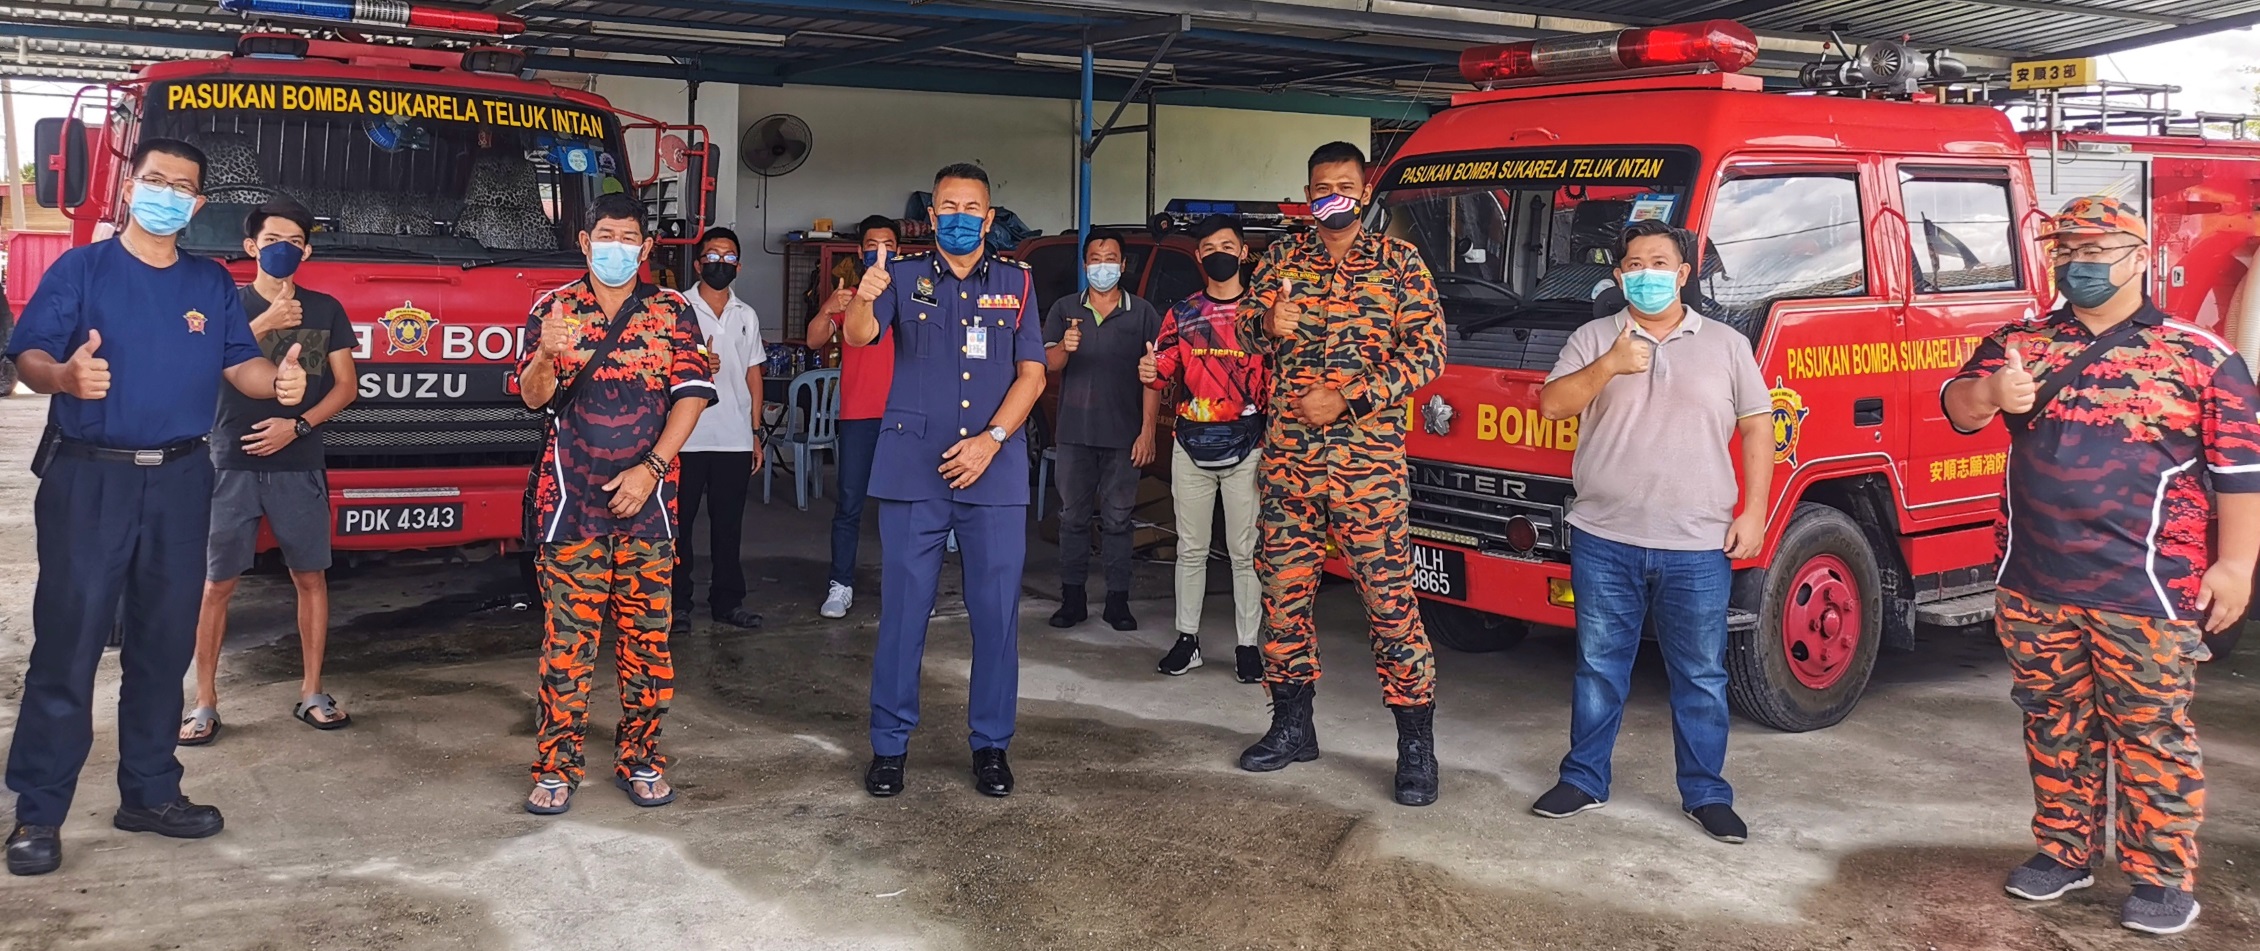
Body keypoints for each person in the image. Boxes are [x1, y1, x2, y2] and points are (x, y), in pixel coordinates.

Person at [1942, 195, 2260, 937]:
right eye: (2066, 251)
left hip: (2146, 587)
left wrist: (2238, 565)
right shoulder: (2020, 342)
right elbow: (1959, 408)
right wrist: (1990, 391)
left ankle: (2160, 876)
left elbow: (2242, 473)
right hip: (2034, 580)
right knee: (2055, 723)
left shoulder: (2202, 357)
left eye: (2096, 250)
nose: (2078, 264)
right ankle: (2064, 850)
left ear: (2139, 255)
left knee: (2151, 732)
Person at [4, 139, 307, 877]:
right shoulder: (84, 269)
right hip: (89, 478)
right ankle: (38, 811)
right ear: (131, 188)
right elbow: (28, 357)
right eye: (155, 181)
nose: (167, 194)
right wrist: (66, 377)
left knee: (162, 644)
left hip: (181, 477)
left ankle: (148, 791)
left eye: (183, 186)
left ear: (198, 205)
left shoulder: (209, 283)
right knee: (68, 645)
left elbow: (244, 363)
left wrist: (283, 384)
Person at [1527, 218, 1770, 845]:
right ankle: (1584, 779)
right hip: (1605, 536)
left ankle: (1706, 793)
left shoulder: (1725, 345)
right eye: (1634, 264)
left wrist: (1754, 512)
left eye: (1660, 263)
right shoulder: (1592, 337)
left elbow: (1756, 428)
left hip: (1697, 541)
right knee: (1599, 667)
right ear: (1617, 275)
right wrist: (1610, 363)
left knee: (1701, 675)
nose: (1647, 275)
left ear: (1684, 274)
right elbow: (1554, 405)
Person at [1233, 142, 1445, 807]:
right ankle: (1292, 726)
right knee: (1283, 597)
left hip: (1368, 470)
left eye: (1345, 185)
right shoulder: (1280, 259)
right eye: (1322, 185)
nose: (1334, 195)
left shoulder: (1399, 262)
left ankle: (1415, 747)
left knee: (1390, 606)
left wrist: (1353, 396)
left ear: (1364, 189)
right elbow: (1243, 331)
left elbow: (1430, 349)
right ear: (1308, 191)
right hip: (1291, 466)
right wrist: (1265, 321)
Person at [842, 163, 1046, 799]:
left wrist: (990, 442)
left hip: (994, 472)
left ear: (989, 218)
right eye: (947, 206)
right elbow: (861, 335)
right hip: (914, 470)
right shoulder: (901, 277)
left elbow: (1032, 375)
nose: (960, 216)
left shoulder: (1017, 283)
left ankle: (991, 746)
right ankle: (890, 746)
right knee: (904, 613)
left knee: (996, 617)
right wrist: (862, 295)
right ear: (932, 218)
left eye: (972, 207)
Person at [515, 194, 715, 816]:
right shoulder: (552, 309)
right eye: (606, 235)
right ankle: (555, 767)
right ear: (584, 240)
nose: (617, 246)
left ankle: (642, 758)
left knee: (646, 644)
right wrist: (546, 354)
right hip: (569, 507)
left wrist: (650, 468)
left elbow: (692, 395)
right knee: (567, 647)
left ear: (647, 248)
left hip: (648, 508)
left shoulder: (672, 311)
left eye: (630, 237)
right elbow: (530, 397)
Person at [179, 199, 361, 747]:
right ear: (252, 245)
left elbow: (346, 388)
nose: (284, 247)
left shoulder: (326, 309)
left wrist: (297, 427)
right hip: (228, 465)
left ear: (306, 250)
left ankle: (312, 692)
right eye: (272, 237)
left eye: (295, 240)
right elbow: (194, 370)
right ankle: (204, 701)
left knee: (309, 576)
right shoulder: (222, 304)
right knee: (216, 584)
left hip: (297, 464)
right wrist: (264, 323)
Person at [1139, 214, 1266, 682]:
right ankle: (1186, 639)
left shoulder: (1261, 315)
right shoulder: (1183, 313)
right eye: (1210, 246)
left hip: (1248, 447)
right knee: (1190, 549)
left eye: (1227, 245)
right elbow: (1163, 368)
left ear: (1243, 252)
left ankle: (1248, 646)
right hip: (1191, 447)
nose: (1219, 253)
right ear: (1198, 256)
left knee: (1244, 551)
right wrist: (1150, 370)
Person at [1043, 227, 1163, 632]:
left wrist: (1147, 431)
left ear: (1123, 265)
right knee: (1072, 518)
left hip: (1123, 435)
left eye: (1110, 258)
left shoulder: (1143, 313)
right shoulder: (1064, 309)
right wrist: (1065, 346)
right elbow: (1048, 365)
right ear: (1084, 264)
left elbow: (1153, 375)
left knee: (1118, 521)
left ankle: (1117, 602)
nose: (1102, 266)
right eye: (1095, 258)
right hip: (1074, 433)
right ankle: (1072, 599)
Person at [807, 215, 901, 618]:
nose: (880, 251)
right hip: (859, 414)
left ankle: (905, 589)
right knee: (850, 504)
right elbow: (814, 338)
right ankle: (840, 584)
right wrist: (830, 305)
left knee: (906, 507)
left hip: (905, 417)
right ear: (860, 251)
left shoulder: (917, 293)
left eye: (888, 244)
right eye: (872, 244)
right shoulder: (851, 296)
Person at [674, 226, 766, 632]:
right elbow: (658, 366)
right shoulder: (676, 307)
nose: (720, 263)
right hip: (683, 437)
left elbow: (753, 375)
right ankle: (675, 604)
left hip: (732, 437)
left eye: (729, 257)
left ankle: (728, 602)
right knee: (678, 527)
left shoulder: (746, 314)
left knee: (728, 526)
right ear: (698, 264)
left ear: (738, 267)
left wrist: (755, 431)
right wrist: (694, 365)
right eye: (712, 255)